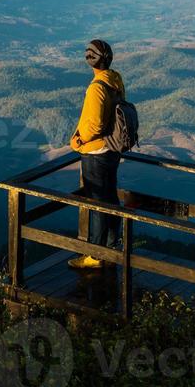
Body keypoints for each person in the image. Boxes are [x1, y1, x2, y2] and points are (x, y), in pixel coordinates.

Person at [69, 39, 124, 269]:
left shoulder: (96, 88)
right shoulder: (115, 80)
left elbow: (94, 124)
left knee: (97, 202)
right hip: (112, 149)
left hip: (95, 151)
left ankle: (95, 255)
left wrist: (79, 141)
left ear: (90, 60)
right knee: (110, 197)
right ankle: (112, 246)